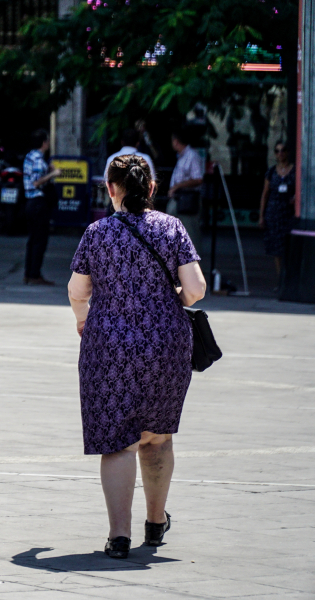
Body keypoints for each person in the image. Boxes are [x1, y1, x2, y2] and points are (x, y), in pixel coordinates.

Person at [67, 154, 206, 559]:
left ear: (112, 189)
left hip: (109, 346)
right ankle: (155, 522)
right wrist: (168, 302)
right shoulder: (172, 228)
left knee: (118, 442)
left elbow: (78, 291)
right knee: (158, 436)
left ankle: (119, 536)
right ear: (150, 188)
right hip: (166, 344)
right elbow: (195, 288)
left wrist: (83, 321)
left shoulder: (97, 233)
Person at [22, 129, 62, 285]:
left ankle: (29, 273)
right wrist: (53, 174)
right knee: (40, 240)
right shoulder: (38, 159)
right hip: (38, 202)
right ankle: (34, 274)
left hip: (30, 203)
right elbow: (37, 182)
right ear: (44, 143)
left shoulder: (30, 156)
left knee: (33, 240)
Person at [258, 141, 295, 284]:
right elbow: (265, 194)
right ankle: (281, 280)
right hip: (274, 212)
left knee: (289, 247)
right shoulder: (272, 171)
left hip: (289, 213)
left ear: (288, 152)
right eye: (277, 151)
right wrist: (261, 216)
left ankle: (289, 278)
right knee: (276, 248)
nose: (280, 153)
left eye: (283, 150)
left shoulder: (294, 171)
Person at [167, 130, 205, 248]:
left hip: (188, 198)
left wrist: (177, 186)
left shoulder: (192, 156)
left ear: (176, 141)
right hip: (178, 198)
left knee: (191, 234)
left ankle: (193, 264)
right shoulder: (182, 156)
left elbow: (198, 179)